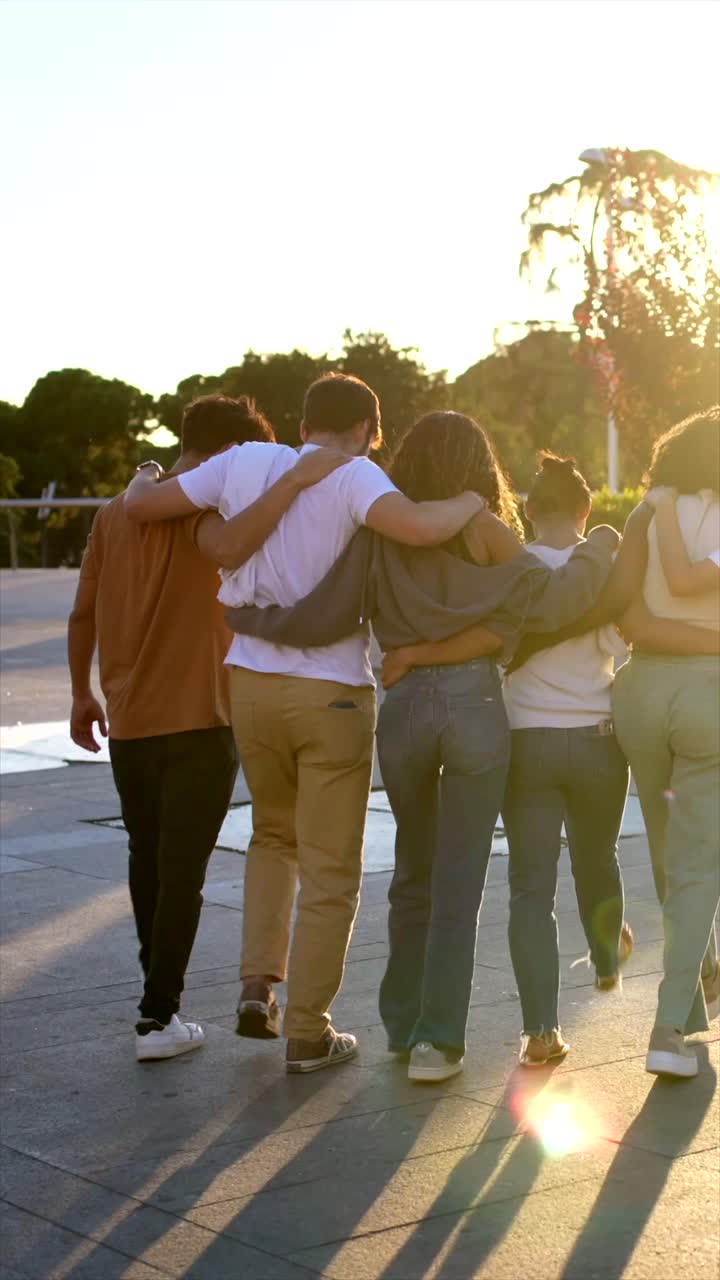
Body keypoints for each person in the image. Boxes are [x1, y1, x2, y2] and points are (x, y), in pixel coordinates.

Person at [224, 412, 624, 1082]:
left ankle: (403, 1027)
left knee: (413, 870)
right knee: (459, 883)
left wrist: (255, 620)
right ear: (476, 464)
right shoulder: (484, 529)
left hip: (404, 710)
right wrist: (601, 547)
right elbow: (545, 604)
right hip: (473, 708)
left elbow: (331, 604)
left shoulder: (381, 527)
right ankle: (441, 1042)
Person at [122, 375, 488, 1073]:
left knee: (271, 833)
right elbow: (421, 527)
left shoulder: (243, 462)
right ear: (367, 431)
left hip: (250, 685)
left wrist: (143, 477)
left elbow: (147, 506)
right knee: (330, 869)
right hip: (332, 695)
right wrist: (476, 494)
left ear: (302, 424)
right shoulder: (356, 475)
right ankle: (310, 1031)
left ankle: (259, 984)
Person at [68, 393, 352, 1062]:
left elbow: (83, 614)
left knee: (148, 859)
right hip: (201, 717)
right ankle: (156, 1015)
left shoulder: (115, 514)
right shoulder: (213, 514)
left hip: (130, 717)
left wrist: (82, 694)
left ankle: (157, 1004)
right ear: (228, 454)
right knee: (183, 871)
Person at [500, 454, 633, 1068]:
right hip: (597, 738)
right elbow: (618, 643)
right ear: (585, 509)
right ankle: (607, 959)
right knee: (596, 856)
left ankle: (540, 1033)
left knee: (530, 887)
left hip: (526, 742)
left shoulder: (512, 569)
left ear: (529, 509)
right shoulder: (599, 569)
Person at [612, 408, 720, 1079]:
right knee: (698, 863)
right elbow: (687, 585)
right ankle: (668, 1027)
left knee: (664, 845)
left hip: (640, 694)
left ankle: (699, 977)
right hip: (706, 697)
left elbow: (627, 617)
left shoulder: (645, 515)